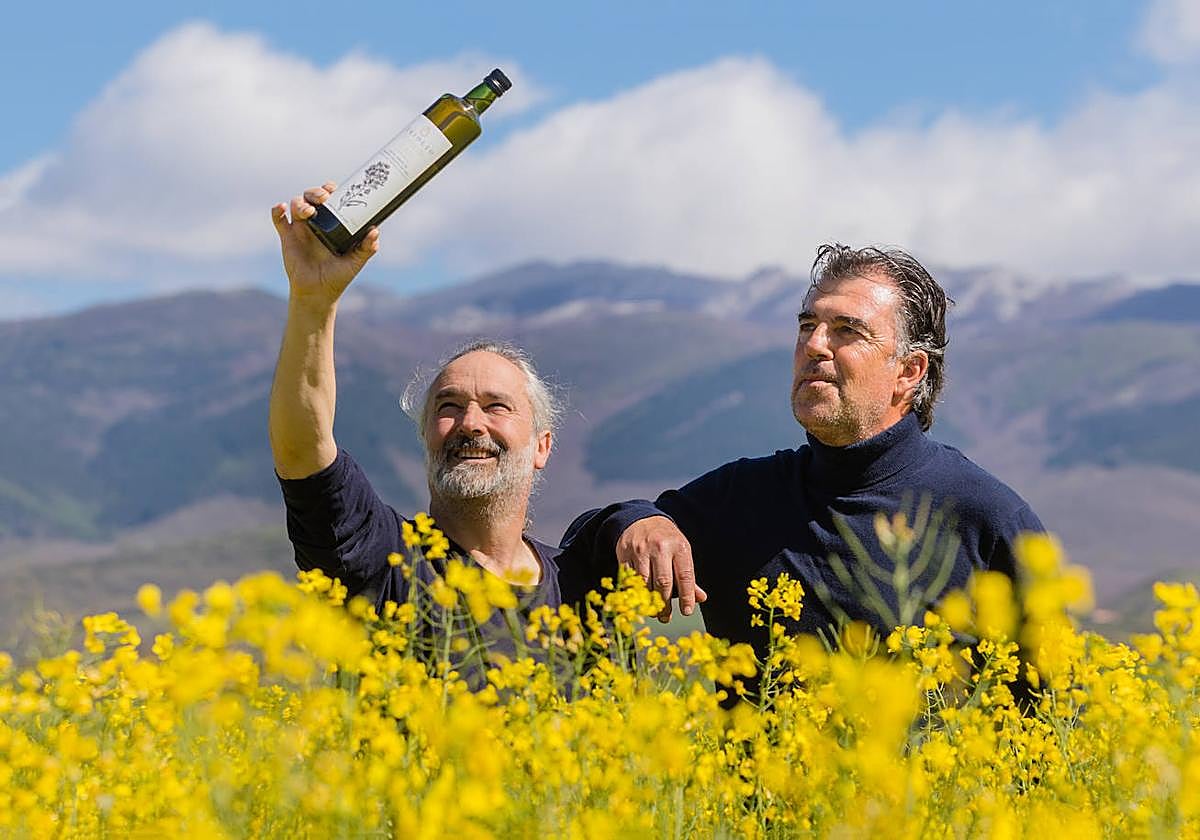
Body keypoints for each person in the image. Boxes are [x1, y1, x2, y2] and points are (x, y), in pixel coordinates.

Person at [562, 244, 1044, 655]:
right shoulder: (742, 497)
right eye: (807, 325)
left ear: (909, 371)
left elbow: (1054, 713)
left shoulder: (985, 515)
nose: (814, 345)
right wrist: (635, 521)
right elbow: (571, 561)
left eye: (846, 330)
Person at [268, 184, 600, 665]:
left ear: (543, 445)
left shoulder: (582, 588)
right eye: (448, 406)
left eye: (496, 406)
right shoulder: (383, 559)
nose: (470, 424)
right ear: (426, 434)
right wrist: (312, 301)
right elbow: (303, 450)